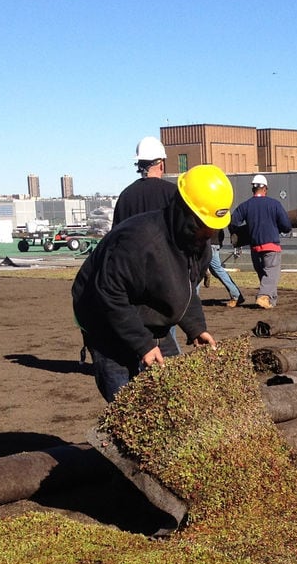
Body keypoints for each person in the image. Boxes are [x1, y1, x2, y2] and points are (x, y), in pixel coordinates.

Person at [72, 164, 233, 401]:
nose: (207, 233)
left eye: (213, 227)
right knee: (128, 404)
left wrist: (196, 327)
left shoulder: (199, 246)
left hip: (147, 314)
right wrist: (143, 345)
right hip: (103, 317)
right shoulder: (141, 242)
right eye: (202, 225)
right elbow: (109, 294)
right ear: (184, 211)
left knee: (171, 397)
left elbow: (185, 289)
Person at [230, 174, 292, 309]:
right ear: (265, 188)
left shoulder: (245, 206)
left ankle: (271, 301)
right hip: (271, 246)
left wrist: (244, 232)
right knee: (271, 274)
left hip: (255, 248)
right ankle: (263, 296)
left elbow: (233, 222)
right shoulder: (274, 204)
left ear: (253, 189)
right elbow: (286, 226)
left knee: (265, 276)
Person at [112, 136, 178, 227]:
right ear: (162, 165)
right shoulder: (173, 193)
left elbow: (115, 235)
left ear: (139, 166)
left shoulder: (125, 196)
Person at [206, 228, 244, 307]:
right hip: (214, 243)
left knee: (214, 269)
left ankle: (236, 295)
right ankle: (236, 294)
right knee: (215, 270)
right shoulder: (218, 219)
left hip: (209, 244)